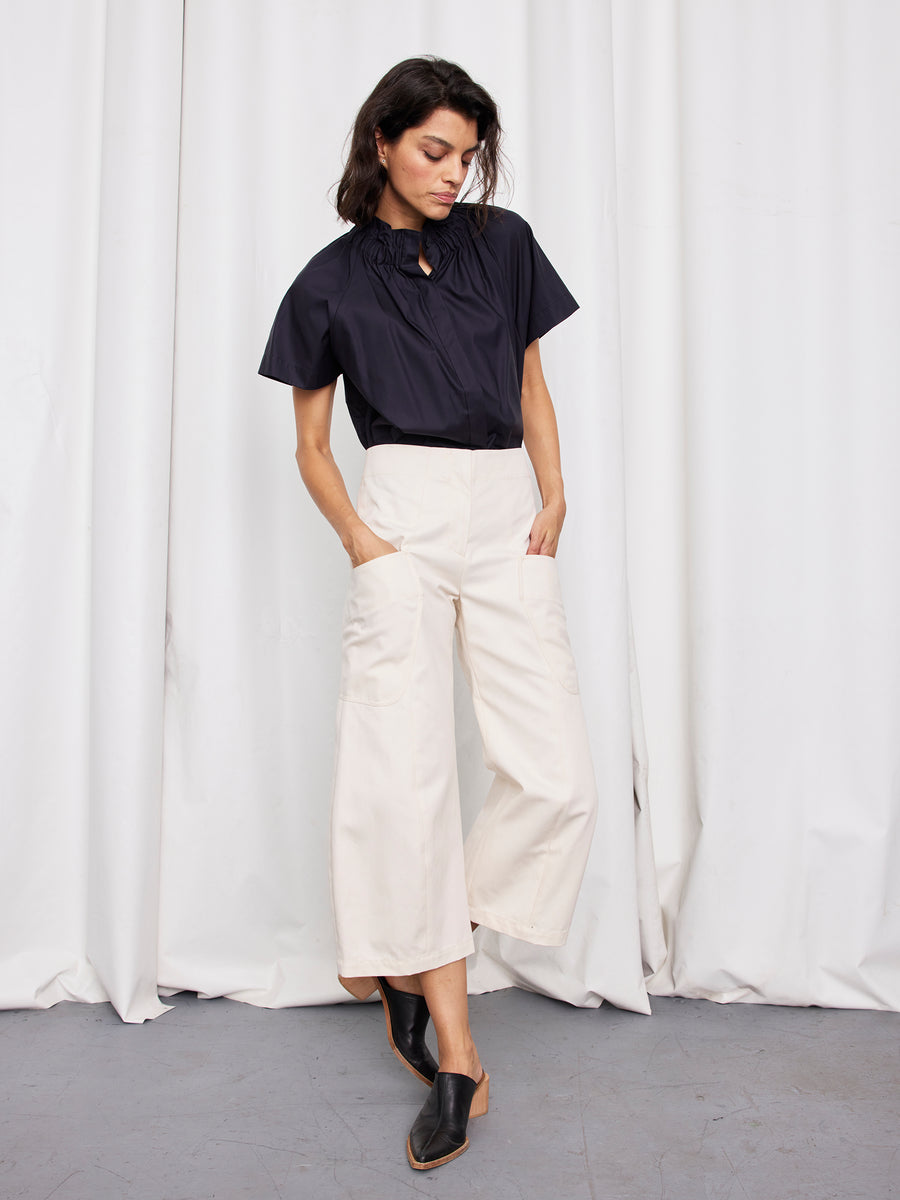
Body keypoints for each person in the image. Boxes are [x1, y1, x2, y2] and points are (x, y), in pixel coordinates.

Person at [258, 55, 599, 1172]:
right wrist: (364, 543)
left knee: (556, 779)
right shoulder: (327, 282)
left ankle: (407, 943)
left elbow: (532, 381)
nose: (454, 174)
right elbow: (313, 447)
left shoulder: (505, 245)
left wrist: (554, 492)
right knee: (403, 783)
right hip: (399, 513)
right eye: (434, 151)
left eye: (467, 155)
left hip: (505, 513)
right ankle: (457, 1055)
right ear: (384, 145)